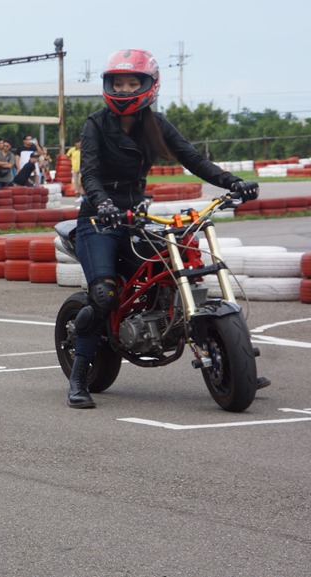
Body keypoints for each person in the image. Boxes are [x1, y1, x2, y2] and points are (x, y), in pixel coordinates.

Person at [68, 48, 261, 409]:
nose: (124, 90)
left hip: (136, 218)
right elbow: (89, 173)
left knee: (173, 271)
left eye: (132, 83)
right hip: (99, 221)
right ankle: (78, 377)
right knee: (104, 295)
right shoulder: (96, 124)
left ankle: (236, 359)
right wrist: (103, 204)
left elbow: (194, 159)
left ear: (149, 85)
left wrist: (233, 183)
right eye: (118, 83)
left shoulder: (156, 125)